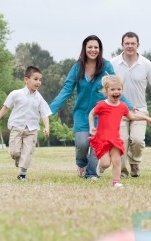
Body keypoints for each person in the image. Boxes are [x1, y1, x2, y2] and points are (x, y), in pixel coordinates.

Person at [49, 35, 132, 180]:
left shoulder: (106, 66)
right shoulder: (77, 67)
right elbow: (66, 90)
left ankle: (92, 173)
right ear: (84, 49)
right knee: (82, 143)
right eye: (90, 47)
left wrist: (129, 106)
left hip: (102, 114)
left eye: (96, 47)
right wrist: (50, 109)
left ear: (100, 50)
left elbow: (115, 86)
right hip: (81, 113)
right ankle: (81, 163)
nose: (93, 50)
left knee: (97, 146)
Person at [110, 32, 151, 178]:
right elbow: (105, 85)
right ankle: (122, 172)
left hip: (139, 110)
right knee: (120, 142)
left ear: (138, 45)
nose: (130, 46)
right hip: (118, 110)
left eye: (132, 43)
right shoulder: (113, 63)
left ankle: (134, 164)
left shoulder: (146, 64)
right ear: (122, 45)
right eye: (127, 43)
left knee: (137, 140)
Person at [88, 75, 151, 188]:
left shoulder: (122, 106)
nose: (116, 92)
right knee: (106, 163)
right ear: (106, 91)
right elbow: (91, 113)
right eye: (113, 89)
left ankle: (116, 181)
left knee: (117, 161)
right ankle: (101, 166)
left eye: (119, 89)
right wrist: (91, 127)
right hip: (102, 139)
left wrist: (146, 118)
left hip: (115, 139)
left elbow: (132, 116)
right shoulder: (102, 105)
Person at [0, 66, 51, 181]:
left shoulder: (39, 98)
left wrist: (47, 127)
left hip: (32, 129)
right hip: (17, 127)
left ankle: (22, 174)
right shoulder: (16, 94)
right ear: (26, 79)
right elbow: (6, 107)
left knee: (28, 152)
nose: (38, 82)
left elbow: (45, 113)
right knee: (14, 152)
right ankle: (18, 159)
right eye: (35, 79)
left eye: (40, 79)